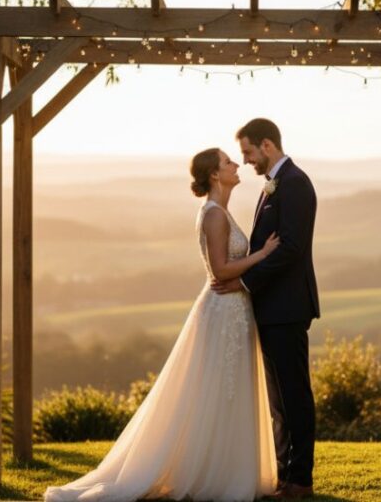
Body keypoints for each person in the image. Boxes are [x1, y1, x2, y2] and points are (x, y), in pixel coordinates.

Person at [44, 147, 279, 502]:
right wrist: (261, 255)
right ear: (215, 175)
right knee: (216, 389)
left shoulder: (222, 211)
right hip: (222, 311)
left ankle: (227, 470)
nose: (235, 165)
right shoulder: (214, 215)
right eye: (228, 162)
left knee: (227, 391)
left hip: (235, 310)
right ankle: (208, 473)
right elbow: (220, 270)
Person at [211, 118, 320, 500]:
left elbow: (290, 249)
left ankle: (301, 480)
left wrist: (244, 282)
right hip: (272, 308)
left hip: (287, 307)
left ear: (267, 146)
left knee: (294, 395)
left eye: (248, 152)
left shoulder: (295, 184)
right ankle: (286, 475)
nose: (246, 161)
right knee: (279, 401)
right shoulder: (274, 184)